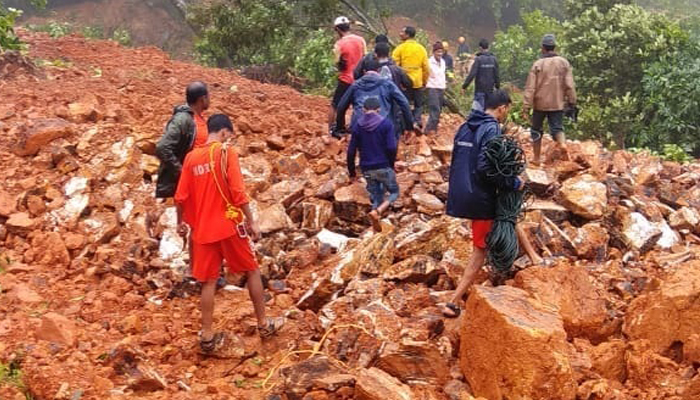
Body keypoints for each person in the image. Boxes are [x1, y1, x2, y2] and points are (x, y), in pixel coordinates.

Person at [175, 114, 283, 352]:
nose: (229, 141)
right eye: (229, 136)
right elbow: (237, 191)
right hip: (230, 225)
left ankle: (207, 335)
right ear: (223, 133)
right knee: (252, 270)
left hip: (202, 231)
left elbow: (180, 197)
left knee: (208, 283)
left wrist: (180, 223)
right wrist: (252, 221)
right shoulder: (226, 154)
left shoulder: (191, 159)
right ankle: (264, 324)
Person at [443, 90, 543, 318]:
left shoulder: (466, 126)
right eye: (508, 109)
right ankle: (453, 301)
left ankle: (535, 258)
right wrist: (512, 181)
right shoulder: (491, 128)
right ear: (503, 108)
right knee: (480, 250)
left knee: (508, 214)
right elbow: (486, 167)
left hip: (464, 193)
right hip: (480, 197)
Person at [522, 34, 577, 166]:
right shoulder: (564, 63)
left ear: (543, 48)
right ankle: (563, 144)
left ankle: (536, 158)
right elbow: (569, 85)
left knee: (536, 129)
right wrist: (572, 101)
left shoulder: (538, 64)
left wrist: (526, 106)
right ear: (554, 47)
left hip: (539, 104)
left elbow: (530, 87)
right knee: (557, 128)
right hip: (557, 103)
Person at [334, 58, 419, 140]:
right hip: (383, 126)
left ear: (364, 71)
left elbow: (341, 107)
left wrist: (340, 128)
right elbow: (404, 103)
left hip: (360, 126)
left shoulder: (355, 85)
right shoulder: (387, 84)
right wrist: (409, 127)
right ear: (379, 70)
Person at [347, 98, 399, 232]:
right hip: (384, 165)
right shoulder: (386, 124)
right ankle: (380, 210)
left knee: (376, 195)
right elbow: (391, 147)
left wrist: (352, 172)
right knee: (394, 192)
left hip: (367, 168)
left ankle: (374, 221)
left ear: (363, 110)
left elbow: (351, 151)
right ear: (378, 110)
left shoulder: (358, 126)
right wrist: (391, 164)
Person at [155, 81, 210, 199]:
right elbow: (162, 148)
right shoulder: (182, 120)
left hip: (199, 182)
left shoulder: (200, 119)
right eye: (208, 97)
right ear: (202, 99)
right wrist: (182, 172)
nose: (209, 100)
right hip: (184, 186)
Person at [329, 16, 367, 135]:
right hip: (360, 79)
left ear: (338, 30)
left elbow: (336, 63)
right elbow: (365, 58)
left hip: (346, 79)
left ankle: (333, 129)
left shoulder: (339, 44)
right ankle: (359, 128)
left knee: (336, 105)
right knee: (359, 105)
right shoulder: (361, 40)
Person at [374, 42, 413, 140]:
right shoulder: (397, 69)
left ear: (375, 54)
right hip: (394, 106)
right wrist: (409, 126)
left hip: (376, 108)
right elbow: (409, 83)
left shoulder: (371, 69)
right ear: (389, 53)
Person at [392, 26, 430, 126]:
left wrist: (397, 81)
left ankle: (405, 124)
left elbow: (394, 65)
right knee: (418, 105)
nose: (400, 34)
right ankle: (417, 121)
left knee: (404, 103)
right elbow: (426, 67)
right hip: (418, 81)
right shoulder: (421, 48)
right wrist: (425, 81)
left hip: (404, 83)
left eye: (402, 32)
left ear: (407, 35)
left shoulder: (400, 48)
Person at [462, 39, 500, 112]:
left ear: (480, 48)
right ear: (488, 47)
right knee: (487, 111)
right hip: (490, 90)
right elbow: (496, 75)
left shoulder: (479, 59)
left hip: (480, 91)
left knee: (477, 111)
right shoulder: (494, 59)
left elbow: (472, 74)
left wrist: (464, 86)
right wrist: (497, 87)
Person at [426, 42, 447, 135]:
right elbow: (426, 75)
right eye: (438, 52)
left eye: (441, 52)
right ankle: (428, 130)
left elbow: (442, 75)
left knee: (438, 111)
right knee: (435, 109)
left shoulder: (443, 62)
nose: (440, 54)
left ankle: (434, 130)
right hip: (432, 87)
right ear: (433, 52)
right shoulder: (428, 62)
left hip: (441, 87)